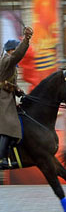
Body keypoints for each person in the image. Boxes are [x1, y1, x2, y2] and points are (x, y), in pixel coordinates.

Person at [0, 26, 34, 168]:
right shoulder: (7, 60)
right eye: (15, 50)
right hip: (2, 100)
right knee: (9, 126)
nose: (16, 54)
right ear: (10, 51)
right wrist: (26, 39)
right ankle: (1, 158)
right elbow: (18, 55)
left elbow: (8, 83)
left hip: (8, 98)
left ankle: (10, 155)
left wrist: (18, 90)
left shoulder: (11, 65)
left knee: (15, 125)